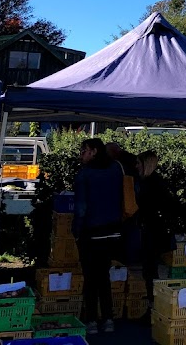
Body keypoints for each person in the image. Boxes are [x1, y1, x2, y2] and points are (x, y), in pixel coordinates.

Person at [73, 138, 124, 336]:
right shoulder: (115, 169)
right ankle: (108, 318)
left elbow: (81, 208)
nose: (81, 154)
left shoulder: (85, 174)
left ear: (93, 151)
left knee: (90, 277)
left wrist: (77, 231)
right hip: (112, 231)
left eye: (83, 150)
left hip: (91, 232)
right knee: (103, 276)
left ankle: (92, 320)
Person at [137, 150, 175, 312]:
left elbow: (149, 207)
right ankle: (154, 305)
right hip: (156, 230)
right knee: (151, 269)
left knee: (150, 270)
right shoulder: (156, 182)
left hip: (153, 231)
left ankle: (154, 306)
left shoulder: (151, 184)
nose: (136, 166)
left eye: (139, 163)